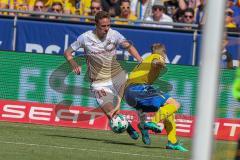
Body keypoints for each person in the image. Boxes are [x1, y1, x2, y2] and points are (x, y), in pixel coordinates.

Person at [64, 11, 142, 139]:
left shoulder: (114, 34)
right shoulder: (85, 38)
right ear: (96, 25)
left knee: (141, 100)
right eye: (103, 26)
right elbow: (67, 52)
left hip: (118, 77)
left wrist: (140, 60)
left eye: (108, 26)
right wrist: (73, 64)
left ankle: (145, 126)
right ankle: (128, 127)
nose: (106, 29)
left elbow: (128, 46)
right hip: (99, 83)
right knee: (111, 112)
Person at [124, 43, 188, 151]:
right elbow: (156, 62)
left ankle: (172, 141)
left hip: (128, 94)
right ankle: (153, 122)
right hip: (138, 89)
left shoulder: (144, 61)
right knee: (175, 104)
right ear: (163, 52)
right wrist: (160, 62)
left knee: (168, 109)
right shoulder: (156, 57)